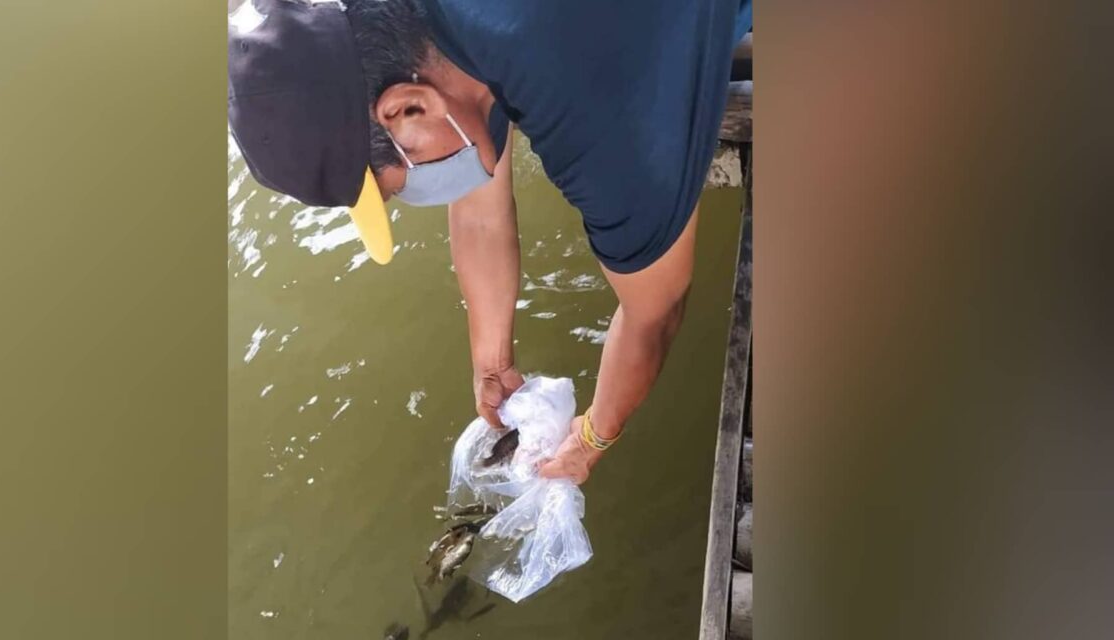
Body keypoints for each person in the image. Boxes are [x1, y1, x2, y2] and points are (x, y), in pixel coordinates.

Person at [228, 0, 753, 484]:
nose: (410, 193)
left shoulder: (593, 111)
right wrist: (492, 360)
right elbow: (479, 209)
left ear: (407, 109)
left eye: (394, 185)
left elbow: (655, 309)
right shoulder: (431, 35)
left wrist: (593, 436)